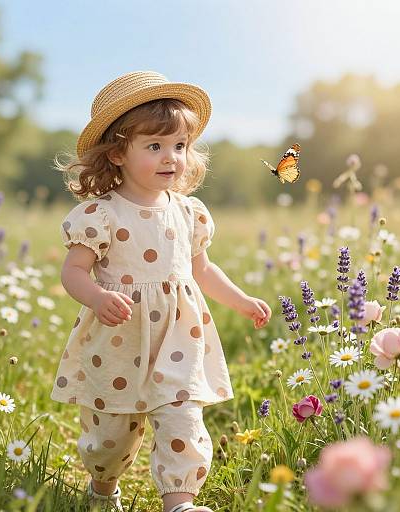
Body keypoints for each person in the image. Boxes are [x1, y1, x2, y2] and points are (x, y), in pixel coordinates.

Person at [51, 71, 272, 512]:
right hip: (117, 337)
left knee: (183, 416)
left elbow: (202, 269)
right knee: (109, 438)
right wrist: (96, 296)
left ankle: (179, 503)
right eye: (154, 146)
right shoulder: (100, 214)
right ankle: (102, 488)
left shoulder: (190, 212)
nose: (171, 157)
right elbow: (73, 271)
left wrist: (242, 301)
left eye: (180, 146)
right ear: (117, 153)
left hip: (178, 336)